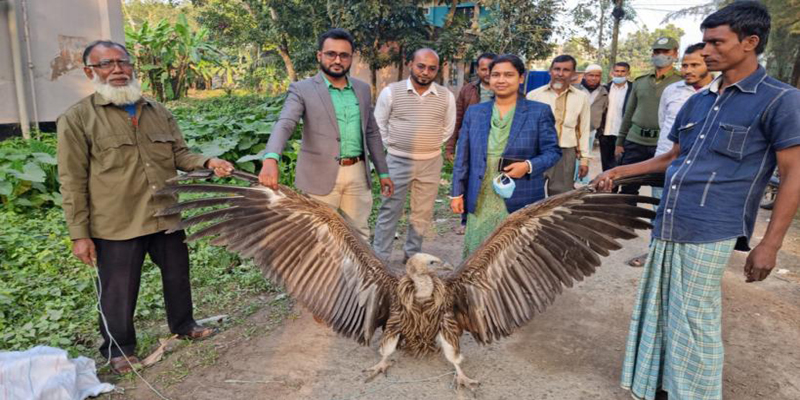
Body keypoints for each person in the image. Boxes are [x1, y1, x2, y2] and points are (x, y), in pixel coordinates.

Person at [595, 2, 800, 399]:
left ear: (750, 42)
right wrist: (620, 171)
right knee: (659, 306)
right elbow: (673, 157)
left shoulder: (780, 100)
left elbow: (793, 174)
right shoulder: (698, 100)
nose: (705, 51)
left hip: (712, 226)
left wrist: (770, 244)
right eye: (705, 42)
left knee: (694, 318)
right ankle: (660, 386)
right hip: (670, 219)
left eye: (715, 42)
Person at [57, 41, 234, 373]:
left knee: (178, 275)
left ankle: (184, 324)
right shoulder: (78, 118)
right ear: (89, 72)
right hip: (117, 222)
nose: (118, 70)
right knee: (118, 288)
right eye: (107, 64)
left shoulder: (158, 112)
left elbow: (180, 155)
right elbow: (72, 180)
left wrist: (207, 161)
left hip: (165, 213)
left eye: (123, 62)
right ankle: (119, 348)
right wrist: (79, 234)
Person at [258, 28, 393, 240]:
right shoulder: (302, 89)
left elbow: (372, 131)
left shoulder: (362, 89)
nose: (337, 60)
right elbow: (285, 122)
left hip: (358, 174)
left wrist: (383, 173)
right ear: (319, 55)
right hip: (319, 176)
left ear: (351, 58)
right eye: (331, 54)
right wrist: (271, 157)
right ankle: (321, 275)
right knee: (318, 238)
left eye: (344, 55)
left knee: (359, 235)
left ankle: (355, 275)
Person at [450, 54, 561, 256]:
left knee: (515, 252)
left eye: (508, 75)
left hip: (521, 192)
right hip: (481, 192)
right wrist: (457, 192)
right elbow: (462, 157)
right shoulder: (475, 112)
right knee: (479, 251)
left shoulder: (538, 112)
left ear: (521, 78)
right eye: (496, 75)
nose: (501, 80)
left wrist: (527, 166)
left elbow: (553, 152)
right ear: (489, 78)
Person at [372, 48, 456, 262]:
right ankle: (380, 258)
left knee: (422, 213)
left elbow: (448, 128)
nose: (425, 72)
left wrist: (428, 145)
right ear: (411, 64)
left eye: (431, 68)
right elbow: (379, 124)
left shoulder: (446, 96)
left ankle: (412, 257)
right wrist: (394, 144)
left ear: (437, 70)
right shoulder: (391, 92)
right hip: (397, 162)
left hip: (430, 163)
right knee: (389, 209)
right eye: (421, 66)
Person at [615, 37, 682, 195]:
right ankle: (626, 219)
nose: (661, 55)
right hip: (635, 142)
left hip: (663, 145)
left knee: (660, 189)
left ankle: (656, 220)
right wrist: (620, 141)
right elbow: (629, 113)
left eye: (666, 52)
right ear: (652, 54)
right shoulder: (640, 82)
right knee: (628, 189)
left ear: (675, 54)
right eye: (657, 52)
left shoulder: (681, 83)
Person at [446, 52, 497, 235]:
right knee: (467, 179)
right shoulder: (468, 90)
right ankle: (466, 219)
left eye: (492, 68)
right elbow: (457, 118)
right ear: (478, 69)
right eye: (484, 69)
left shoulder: (502, 89)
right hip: (472, 142)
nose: (488, 73)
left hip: (495, 144)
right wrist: (451, 146)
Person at [654, 42, 715, 194]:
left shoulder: (721, 92)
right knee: (657, 208)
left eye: (695, 65)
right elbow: (663, 122)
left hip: (700, 168)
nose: (688, 70)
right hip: (665, 162)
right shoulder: (671, 90)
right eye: (685, 65)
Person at [526, 55, 591, 195]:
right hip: (537, 152)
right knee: (531, 195)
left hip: (565, 153)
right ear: (550, 71)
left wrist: (584, 159)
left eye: (566, 70)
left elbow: (584, 129)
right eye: (557, 69)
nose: (560, 74)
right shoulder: (534, 96)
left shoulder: (581, 98)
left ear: (573, 74)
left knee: (560, 198)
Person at [599, 62, 633, 171]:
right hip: (606, 132)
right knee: (607, 164)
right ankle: (609, 188)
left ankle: (620, 186)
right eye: (617, 71)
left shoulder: (633, 89)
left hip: (623, 134)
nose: (619, 74)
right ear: (612, 73)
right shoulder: (604, 89)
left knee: (622, 164)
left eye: (623, 71)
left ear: (628, 73)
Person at [578, 64, 608, 184]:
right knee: (571, 156)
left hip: (590, 130)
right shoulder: (575, 88)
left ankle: (582, 181)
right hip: (573, 129)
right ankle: (570, 179)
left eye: (597, 76)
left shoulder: (604, 92)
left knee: (586, 155)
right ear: (585, 76)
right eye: (591, 75)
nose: (594, 78)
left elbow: (605, 110)